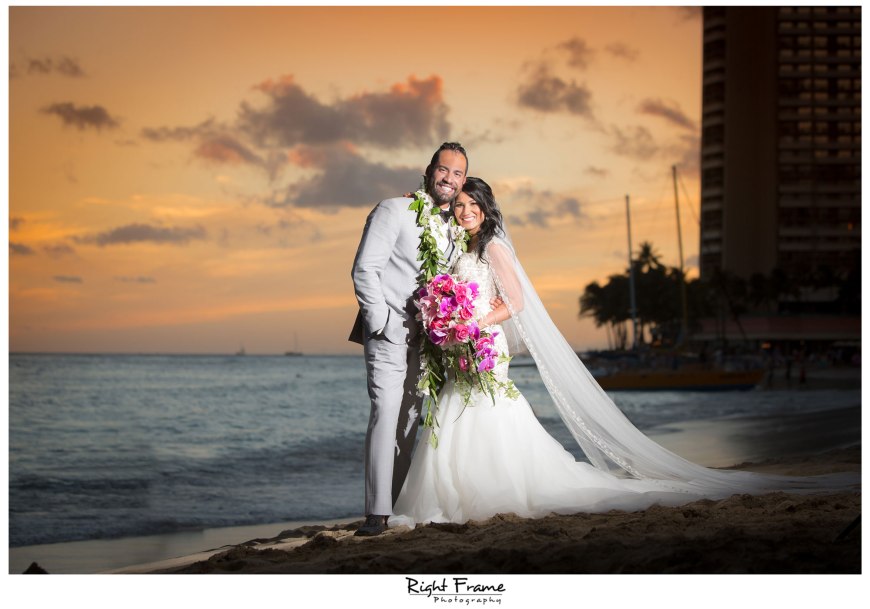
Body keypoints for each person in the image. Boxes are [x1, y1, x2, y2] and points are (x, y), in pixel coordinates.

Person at [390, 177, 857, 528]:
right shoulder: (463, 246)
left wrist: (474, 323)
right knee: (460, 404)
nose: (466, 211)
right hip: (464, 341)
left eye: (473, 205)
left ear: (487, 209)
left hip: (484, 341)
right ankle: (455, 495)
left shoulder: (494, 247)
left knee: (483, 406)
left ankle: (487, 492)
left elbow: (515, 302)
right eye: (461, 205)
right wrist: (448, 319)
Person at [349, 142, 468, 536]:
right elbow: (365, 269)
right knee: (385, 411)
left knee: (410, 420)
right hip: (388, 332)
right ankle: (376, 513)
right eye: (444, 169)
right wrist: (380, 321)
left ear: (463, 180)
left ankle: (395, 504)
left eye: (457, 173)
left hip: (430, 341)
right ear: (430, 170)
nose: (449, 179)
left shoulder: (456, 227)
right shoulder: (393, 209)